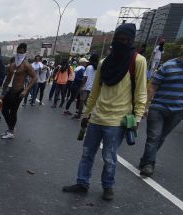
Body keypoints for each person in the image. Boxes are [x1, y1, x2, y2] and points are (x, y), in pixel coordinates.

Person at [62, 23, 147, 201]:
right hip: (97, 117)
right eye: (117, 39)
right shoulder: (104, 63)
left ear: (131, 41)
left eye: (124, 40)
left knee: (109, 157)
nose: (120, 43)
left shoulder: (138, 61)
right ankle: (82, 182)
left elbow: (141, 92)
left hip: (118, 120)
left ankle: (108, 186)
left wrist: (137, 118)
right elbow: (95, 92)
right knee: (87, 153)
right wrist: (86, 113)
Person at [138, 34, 183, 177]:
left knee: (161, 137)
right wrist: (144, 106)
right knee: (154, 136)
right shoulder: (168, 65)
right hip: (159, 107)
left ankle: (146, 159)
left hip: (179, 109)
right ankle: (148, 164)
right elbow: (153, 86)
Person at [0, 43, 37, 140]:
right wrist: (3, 92)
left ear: (25, 52)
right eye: (18, 51)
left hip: (18, 91)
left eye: (21, 51)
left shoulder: (26, 65)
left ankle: (11, 132)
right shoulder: (13, 63)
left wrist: (26, 90)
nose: (19, 53)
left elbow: (35, 78)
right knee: (4, 110)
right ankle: (11, 128)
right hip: (9, 90)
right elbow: (8, 79)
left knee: (13, 111)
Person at [75, 54, 99, 118]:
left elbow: (85, 77)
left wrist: (82, 86)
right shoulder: (98, 67)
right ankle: (89, 116)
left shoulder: (89, 67)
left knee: (82, 101)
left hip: (86, 86)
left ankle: (79, 115)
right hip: (93, 88)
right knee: (89, 102)